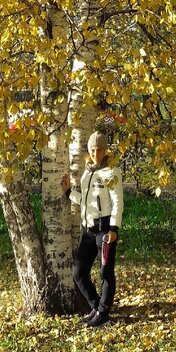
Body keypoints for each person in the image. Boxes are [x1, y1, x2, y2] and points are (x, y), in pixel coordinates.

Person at [63, 131, 124, 328]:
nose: (96, 153)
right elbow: (86, 202)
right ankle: (97, 307)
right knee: (79, 272)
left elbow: (117, 202)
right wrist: (68, 193)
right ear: (88, 151)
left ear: (105, 151)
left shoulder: (111, 172)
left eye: (99, 149)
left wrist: (114, 228)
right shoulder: (88, 172)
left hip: (105, 230)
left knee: (106, 273)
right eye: (92, 149)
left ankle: (104, 314)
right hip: (88, 230)